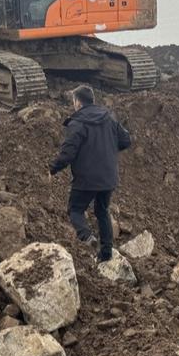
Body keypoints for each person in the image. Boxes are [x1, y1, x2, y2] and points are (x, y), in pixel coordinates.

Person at [50, 85, 132, 262]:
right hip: (108, 177)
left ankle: (87, 237)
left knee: (75, 210)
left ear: (77, 102)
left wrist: (51, 168)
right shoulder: (109, 118)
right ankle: (106, 254)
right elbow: (126, 140)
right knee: (102, 211)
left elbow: (68, 154)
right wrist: (108, 148)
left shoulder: (77, 123)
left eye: (73, 101)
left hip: (86, 179)